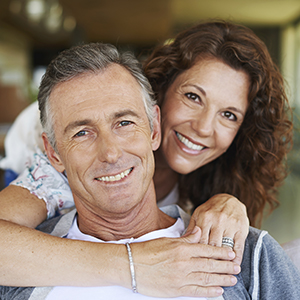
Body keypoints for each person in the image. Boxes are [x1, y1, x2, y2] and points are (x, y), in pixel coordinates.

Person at [0, 20, 292, 293]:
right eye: (193, 97)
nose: (203, 127)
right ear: (159, 97)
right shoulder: (62, 173)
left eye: (228, 115)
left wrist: (228, 202)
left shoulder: (207, 199)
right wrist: (132, 265)